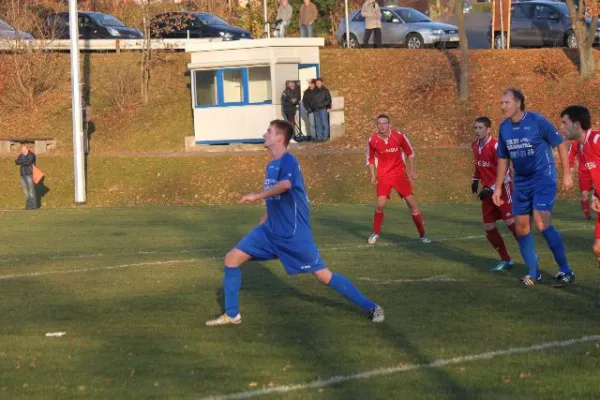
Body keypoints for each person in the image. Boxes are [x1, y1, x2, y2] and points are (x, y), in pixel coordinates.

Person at [206, 120, 384, 326]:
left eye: (269, 132)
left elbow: (285, 185)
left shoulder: (288, 161)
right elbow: (274, 198)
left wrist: (257, 195)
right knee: (232, 258)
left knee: (323, 275)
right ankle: (232, 314)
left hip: (293, 235)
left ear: (279, 138)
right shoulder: (271, 165)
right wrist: (265, 217)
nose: (264, 135)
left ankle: (371, 306)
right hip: (269, 231)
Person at [492, 88, 574, 287]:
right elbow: (503, 158)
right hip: (521, 181)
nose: (503, 106)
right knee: (521, 227)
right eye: (502, 103)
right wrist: (498, 187)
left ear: (518, 103)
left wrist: (567, 173)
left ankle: (565, 270)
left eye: (507, 102)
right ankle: (533, 272)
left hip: (543, 176)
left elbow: (560, 143)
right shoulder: (504, 128)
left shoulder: (537, 121)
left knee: (541, 221)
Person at [366, 114, 430, 245]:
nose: (382, 126)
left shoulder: (399, 136)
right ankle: (375, 232)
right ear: (376, 125)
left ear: (389, 124)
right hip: (383, 176)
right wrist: (373, 175)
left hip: (400, 175)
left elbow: (410, 153)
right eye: (379, 123)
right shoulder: (373, 140)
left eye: (384, 123)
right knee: (380, 205)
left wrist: (412, 169)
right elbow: (370, 159)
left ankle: (423, 235)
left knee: (412, 205)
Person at [471, 116, 518, 271]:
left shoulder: (496, 146)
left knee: (510, 223)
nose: (477, 131)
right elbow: (478, 165)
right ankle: (506, 259)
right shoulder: (475, 145)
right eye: (475, 128)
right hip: (487, 192)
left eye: (480, 128)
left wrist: (492, 188)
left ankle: (529, 254)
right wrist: (475, 180)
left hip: (503, 190)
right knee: (489, 227)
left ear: (488, 129)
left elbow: (504, 169)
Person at [560, 106, 600, 268]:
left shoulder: (596, 139)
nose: (561, 127)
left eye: (564, 122)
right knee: (598, 249)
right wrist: (596, 195)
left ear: (576, 125)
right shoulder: (582, 147)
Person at [568, 136, 593, 221]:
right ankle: (587, 215)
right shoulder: (575, 142)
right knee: (584, 195)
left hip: (595, 170)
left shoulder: (593, 138)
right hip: (584, 172)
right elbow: (571, 155)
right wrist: (570, 169)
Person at [15, 144, 38, 210]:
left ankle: (34, 206)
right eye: (22, 150)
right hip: (22, 175)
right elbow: (16, 162)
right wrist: (20, 161)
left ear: (27, 149)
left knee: (31, 190)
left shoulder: (32, 155)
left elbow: (28, 162)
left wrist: (20, 162)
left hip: (29, 174)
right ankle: (28, 206)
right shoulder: (21, 155)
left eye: (24, 150)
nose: (22, 151)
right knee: (25, 191)